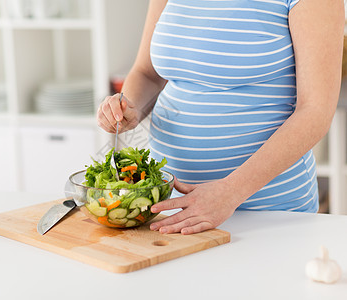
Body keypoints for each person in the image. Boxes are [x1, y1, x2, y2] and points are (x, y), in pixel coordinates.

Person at [97, 0, 344, 234]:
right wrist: (129, 108)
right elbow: (147, 74)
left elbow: (315, 112)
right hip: (169, 206)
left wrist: (231, 192)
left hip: (267, 212)